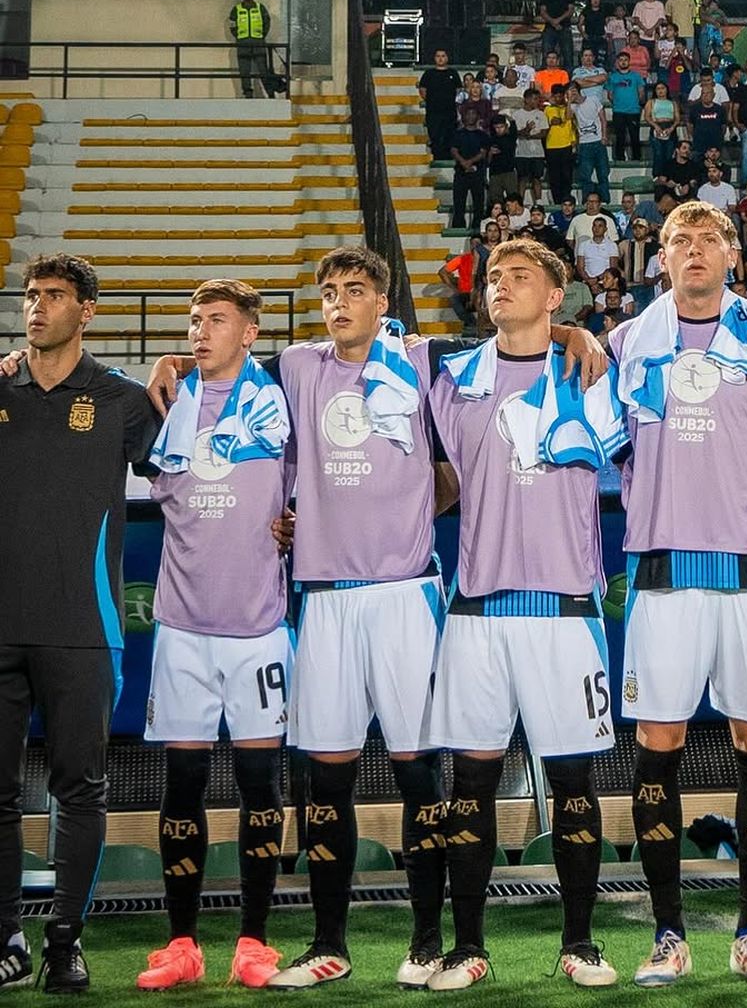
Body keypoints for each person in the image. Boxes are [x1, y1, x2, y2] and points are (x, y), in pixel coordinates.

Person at [143, 247, 605, 990]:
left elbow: (512, 342)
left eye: (355, 290)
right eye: (329, 292)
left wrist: (574, 334)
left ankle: (427, 942)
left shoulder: (422, 362)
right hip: (324, 600)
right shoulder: (295, 367)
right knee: (326, 778)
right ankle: (330, 942)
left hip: (405, 596)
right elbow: (222, 366)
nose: (339, 303)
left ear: (382, 304)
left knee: (422, 776)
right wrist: (173, 358)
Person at [609, 202, 747, 986]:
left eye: (708, 240)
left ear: (732, 255)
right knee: (658, 751)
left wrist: (720, 492)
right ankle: (667, 934)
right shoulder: (623, 343)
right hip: (660, 573)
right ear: (660, 259)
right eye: (678, 242)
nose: (693, 251)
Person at [426, 239, 626, 989]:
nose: (501, 287)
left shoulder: (589, 370)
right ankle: (467, 947)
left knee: (574, 781)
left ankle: (579, 942)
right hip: (477, 607)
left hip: (565, 606)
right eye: (494, 279)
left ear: (555, 297)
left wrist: (584, 335)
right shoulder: (450, 379)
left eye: (520, 278)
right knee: (469, 786)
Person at [0, 254, 160, 992]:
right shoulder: (1, 387)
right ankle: (6, 934)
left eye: (54, 296)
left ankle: (64, 938)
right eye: (31, 297)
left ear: (87, 311)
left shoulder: (124, 400)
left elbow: (191, 474)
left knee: (80, 789)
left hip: (83, 623)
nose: (37, 308)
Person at [135, 281, 293, 991]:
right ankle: (181, 944)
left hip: (258, 625)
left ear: (251, 331)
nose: (200, 332)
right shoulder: (165, 405)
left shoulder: (283, 400)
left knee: (261, 787)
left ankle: (254, 942)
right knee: (184, 787)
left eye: (217, 321)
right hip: (182, 627)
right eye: (194, 322)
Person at [229, 0, 274, 100]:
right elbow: (232, 25)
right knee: (244, 70)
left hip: (258, 43)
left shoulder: (260, 8)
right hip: (243, 43)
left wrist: (261, 35)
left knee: (263, 69)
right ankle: (248, 94)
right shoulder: (237, 9)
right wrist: (239, 36)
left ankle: (270, 93)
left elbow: (267, 23)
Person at [419, 49, 463, 162]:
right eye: (438, 56)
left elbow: (458, 90)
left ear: (447, 58)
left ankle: (449, 157)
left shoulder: (453, 73)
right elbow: (423, 90)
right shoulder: (429, 74)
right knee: (435, 134)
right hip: (433, 112)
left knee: (449, 134)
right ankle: (436, 157)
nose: (440, 58)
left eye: (443, 56)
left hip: (449, 111)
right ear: (434, 58)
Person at [538, 0, 576, 68]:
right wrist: (553, 22)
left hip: (565, 27)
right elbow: (542, 11)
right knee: (546, 54)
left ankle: (568, 80)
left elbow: (571, 10)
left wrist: (558, 20)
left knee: (568, 55)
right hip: (549, 28)